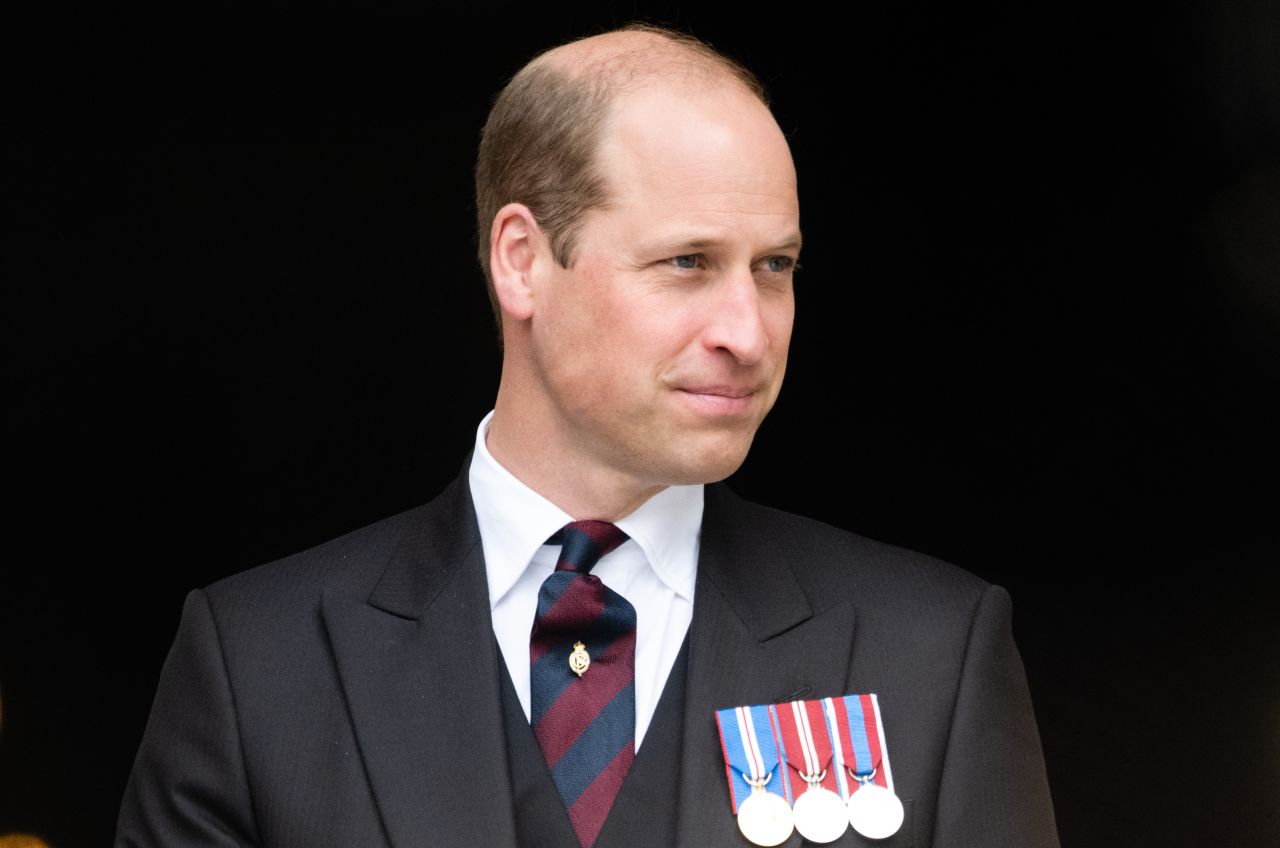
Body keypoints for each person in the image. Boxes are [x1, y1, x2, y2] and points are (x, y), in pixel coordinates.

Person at [116, 24, 1058, 848]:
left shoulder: (931, 652)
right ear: (523, 262)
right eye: (687, 262)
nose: (749, 328)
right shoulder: (258, 668)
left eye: (775, 266)